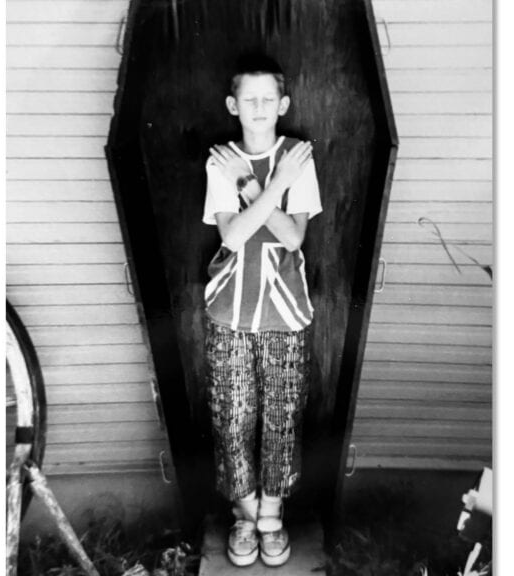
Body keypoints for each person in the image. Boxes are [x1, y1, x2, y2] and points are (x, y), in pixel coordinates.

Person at [201, 53, 322, 568]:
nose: (258, 107)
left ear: (282, 104)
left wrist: (254, 191)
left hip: (285, 314)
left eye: (267, 99)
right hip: (230, 312)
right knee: (232, 418)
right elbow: (232, 233)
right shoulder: (222, 161)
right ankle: (244, 512)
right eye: (248, 99)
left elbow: (293, 237)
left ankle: (271, 516)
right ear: (233, 105)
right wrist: (266, 186)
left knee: (280, 418)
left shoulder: (299, 156)